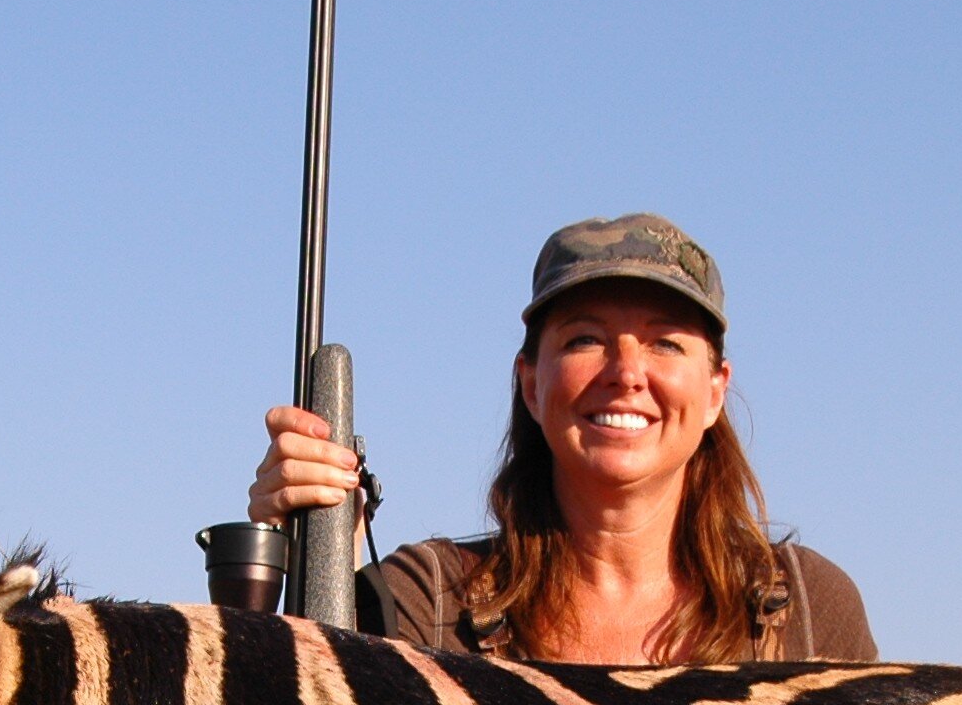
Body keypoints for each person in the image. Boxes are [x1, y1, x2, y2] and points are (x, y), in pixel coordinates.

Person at [244, 213, 875, 664]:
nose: (627, 373)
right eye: (584, 339)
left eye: (665, 342)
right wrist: (309, 551)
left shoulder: (814, 612)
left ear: (715, 390)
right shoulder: (424, 600)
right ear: (530, 384)